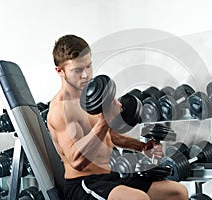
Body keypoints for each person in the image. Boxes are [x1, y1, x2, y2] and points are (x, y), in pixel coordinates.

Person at [47, 34, 188, 200]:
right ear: (60, 71)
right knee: (138, 199)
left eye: (89, 67)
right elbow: (77, 161)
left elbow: (110, 136)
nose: (86, 75)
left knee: (177, 192)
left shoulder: (91, 98)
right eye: (78, 70)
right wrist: (105, 120)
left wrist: (142, 147)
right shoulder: (61, 109)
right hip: (84, 184)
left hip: (110, 176)